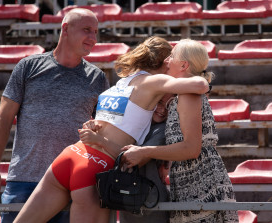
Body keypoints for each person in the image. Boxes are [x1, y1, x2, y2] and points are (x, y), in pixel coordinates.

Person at [14, 36, 209, 223]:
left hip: (70, 155)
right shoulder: (153, 82)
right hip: (96, 166)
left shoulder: (120, 84)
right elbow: (200, 85)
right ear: (163, 64)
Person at [0, 8, 110, 223]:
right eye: (87, 30)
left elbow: (102, 130)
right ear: (65, 29)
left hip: (71, 182)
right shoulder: (28, 67)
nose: (93, 38)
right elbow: (2, 118)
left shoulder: (98, 78)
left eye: (95, 32)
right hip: (24, 179)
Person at [121, 39, 239, 222]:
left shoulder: (188, 95)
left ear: (184, 65)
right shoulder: (182, 95)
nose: (167, 60)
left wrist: (144, 152)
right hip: (191, 182)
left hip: (201, 185)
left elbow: (191, 148)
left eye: (172, 56)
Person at [119, 93, 173, 223]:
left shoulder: (163, 129)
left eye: (168, 106)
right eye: (159, 102)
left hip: (152, 200)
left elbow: (134, 160)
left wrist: (100, 140)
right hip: (127, 197)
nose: (162, 110)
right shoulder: (131, 122)